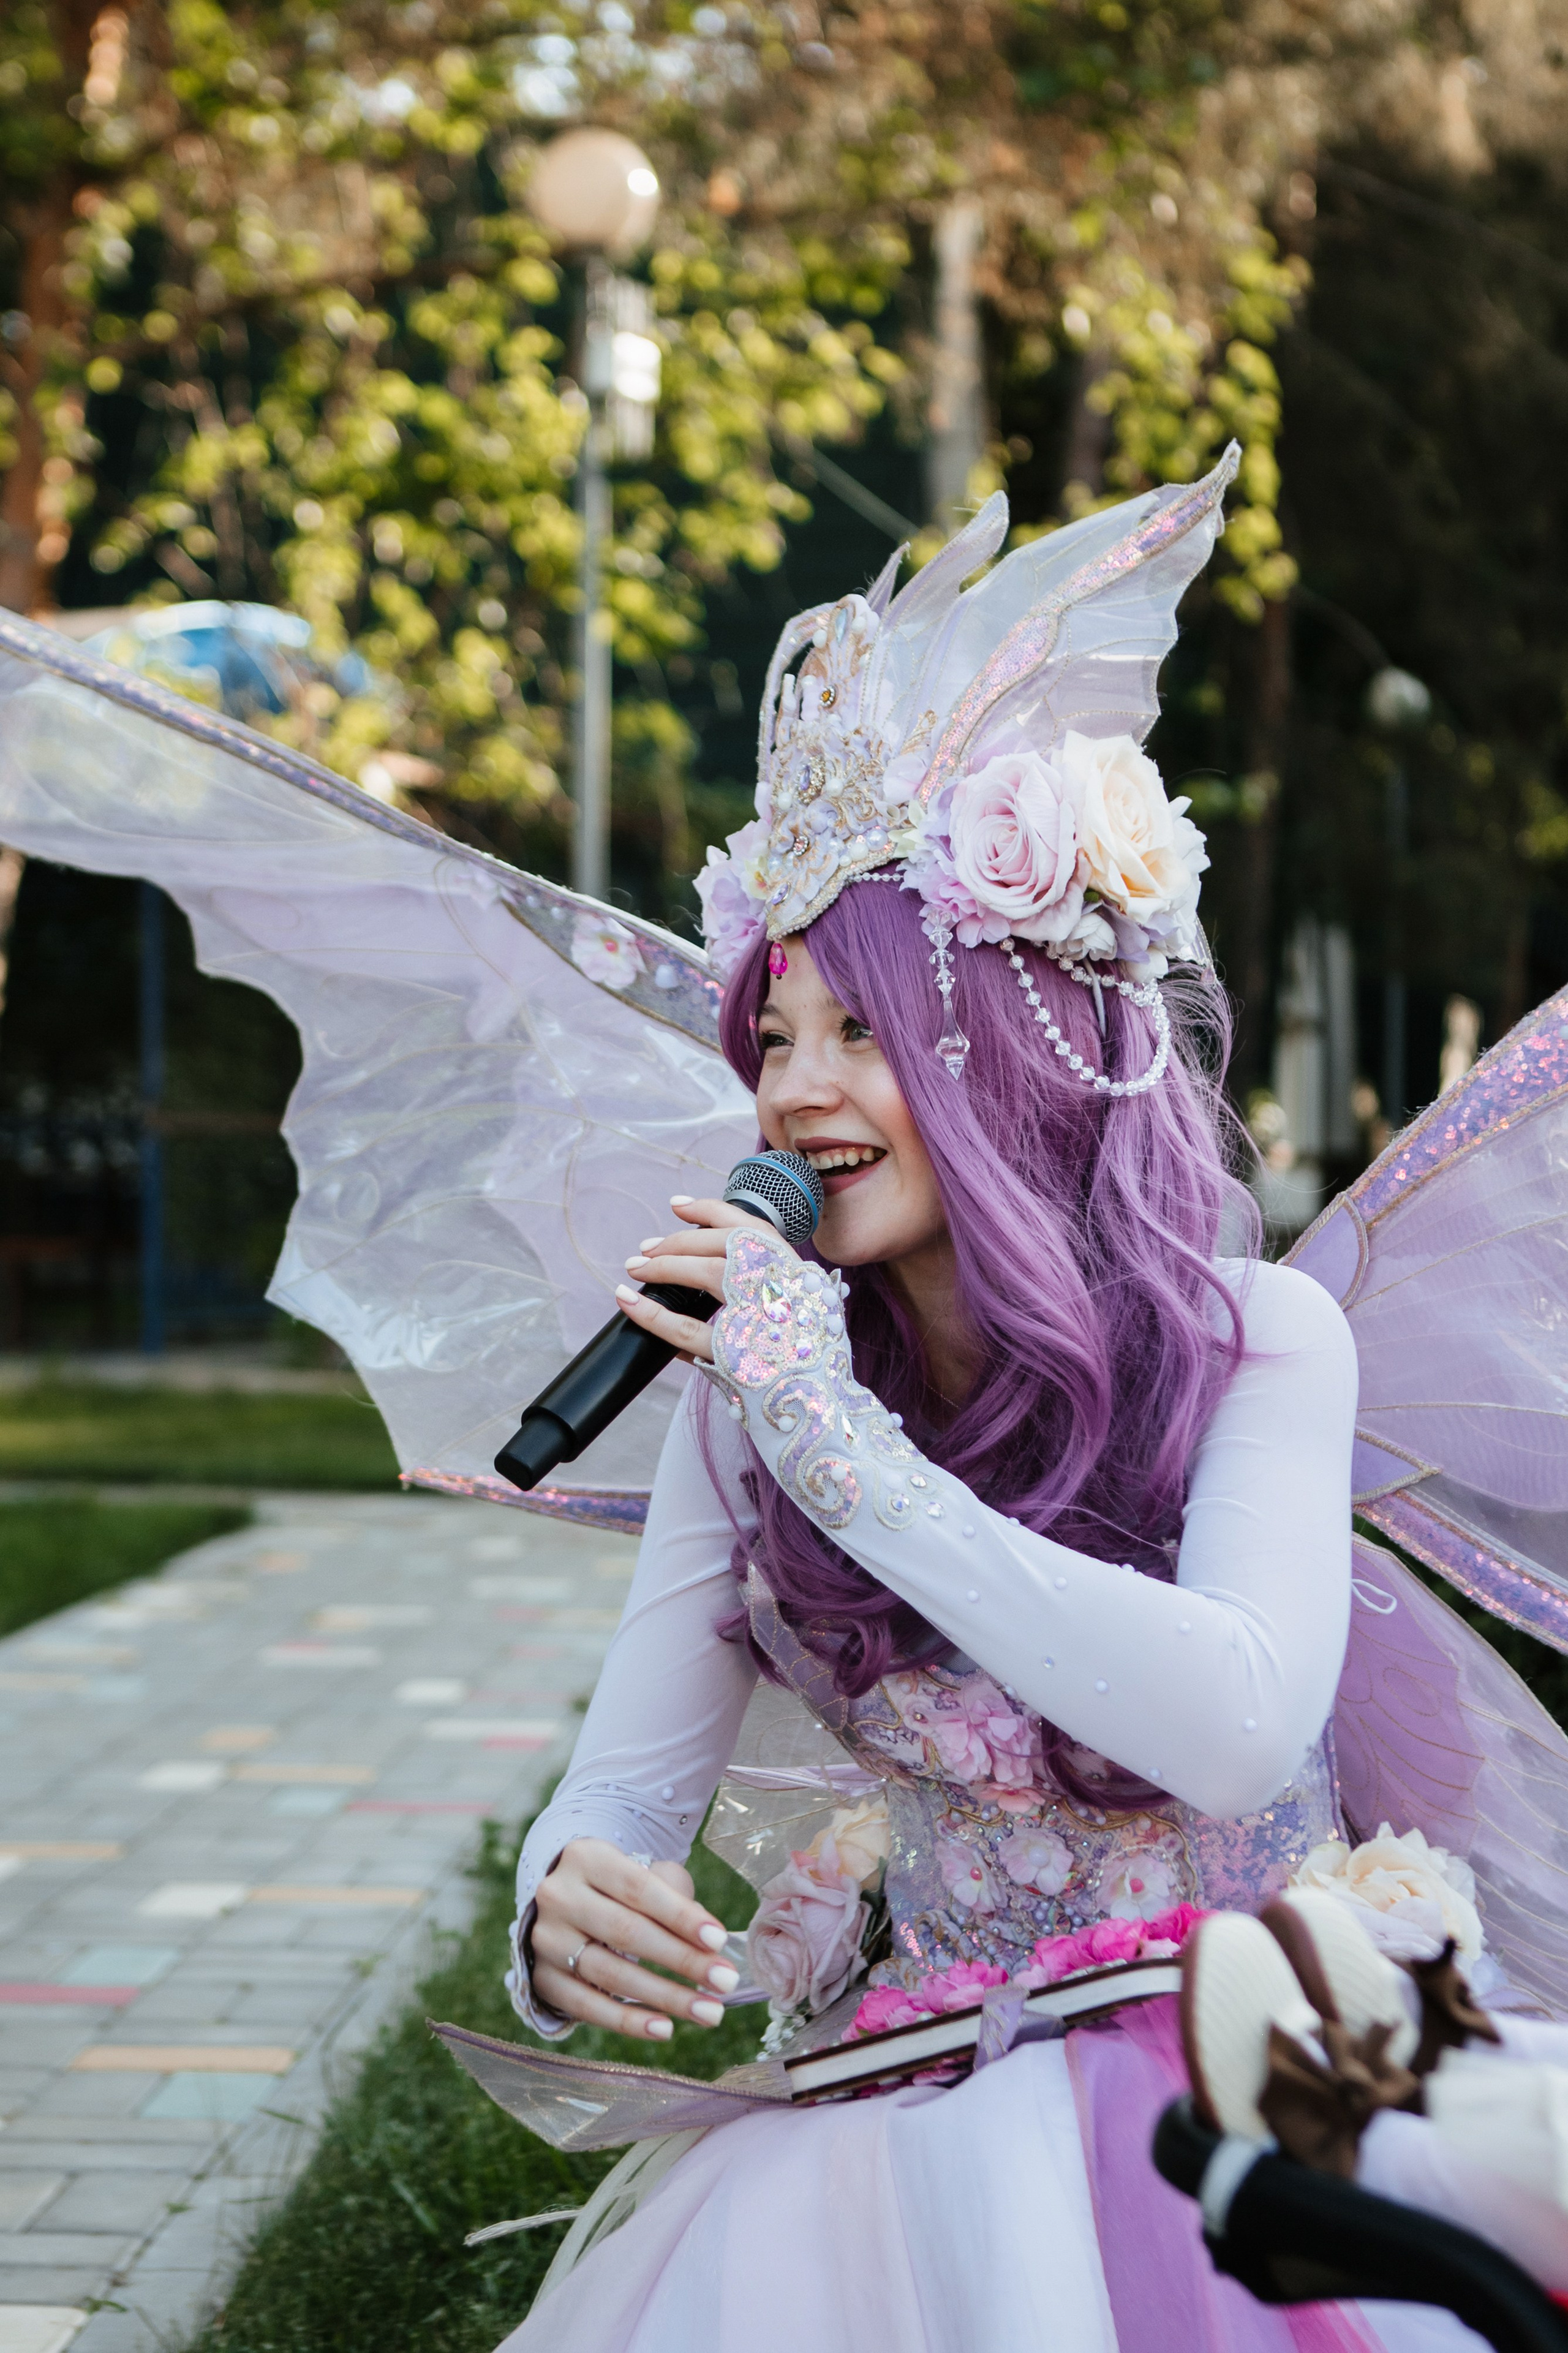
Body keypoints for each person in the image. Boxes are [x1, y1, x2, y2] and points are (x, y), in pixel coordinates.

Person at [493, 451, 1477, 2353]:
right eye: (771, 1034)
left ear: (1015, 1049)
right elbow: (620, 1793)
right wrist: (558, 1906)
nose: (792, 1090)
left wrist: (840, 1454)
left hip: (1262, 2074)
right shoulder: (756, 1390)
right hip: (916, 2098)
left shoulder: (1256, 1334)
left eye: (858, 1028)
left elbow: (1234, 1720)